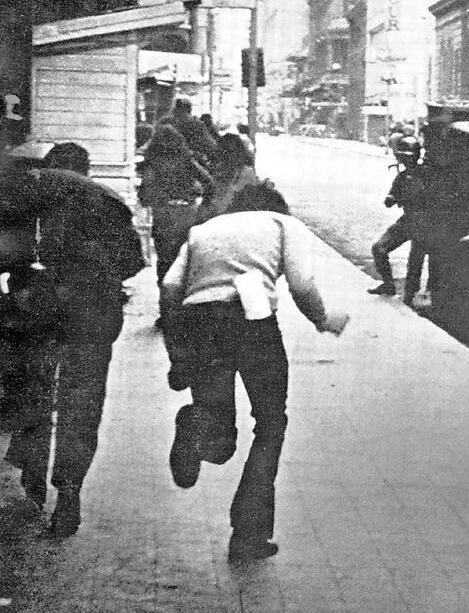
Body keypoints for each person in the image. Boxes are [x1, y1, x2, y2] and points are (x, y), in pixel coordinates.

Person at [160, 181, 348, 561]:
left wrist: (178, 354)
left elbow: (168, 287)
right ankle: (248, 534)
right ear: (277, 207)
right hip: (252, 321)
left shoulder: (203, 230)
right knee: (270, 424)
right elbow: (301, 283)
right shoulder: (283, 224)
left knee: (218, 431)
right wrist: (323, 320)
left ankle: (195, 422)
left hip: (201, 322)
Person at [0, 144, 146, 536]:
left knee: (36, 393)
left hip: (39, 308)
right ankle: (69, 495)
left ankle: (32, 488)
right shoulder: (109, 201)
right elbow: (133, 262)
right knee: (81, 403)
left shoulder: (29, 191)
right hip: (95, 312)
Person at [138, 124, 214, 287]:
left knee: (164, 262)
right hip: (187, 212)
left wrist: (148, 199)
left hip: (163, 213)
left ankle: (165, 304)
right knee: (184, 260)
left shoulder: (153, 162)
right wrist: (204, 205)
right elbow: (208, 181)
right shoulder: (186, 160)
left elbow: (146, 191)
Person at [367, 135, 432, 305]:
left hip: (424, 222)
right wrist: (393, 197)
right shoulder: (402, 177)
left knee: (415, 261)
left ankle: (410, 295)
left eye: (407, 156)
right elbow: (390, 199)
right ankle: (389, 285)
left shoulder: (427, 175)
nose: (404, 160)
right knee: (379, 248)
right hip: (408, 220)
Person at [161, 99, 218, 168]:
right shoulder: (196, 123)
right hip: (188, 162)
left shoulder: (164, 121)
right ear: (189, 110)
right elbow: (210, 145)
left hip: (166, 160)